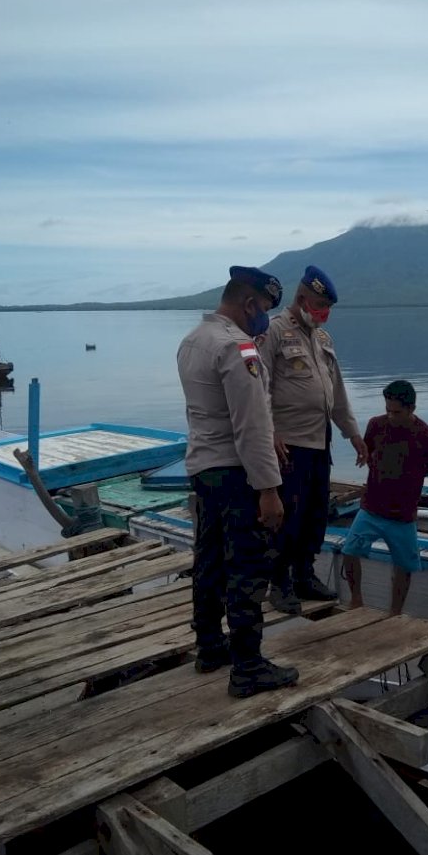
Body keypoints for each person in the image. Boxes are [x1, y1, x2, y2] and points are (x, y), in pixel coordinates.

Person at [177, 266, 299, 699]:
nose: (265, 317)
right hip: (236, 473)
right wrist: (268, 489)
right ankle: (248, 666)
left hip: (204, 468)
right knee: (247, 566)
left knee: (208, 560)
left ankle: (210, 645)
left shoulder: (193, 340)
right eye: (265, 308)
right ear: (249, 304)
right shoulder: (237, 348)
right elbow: (249, 425)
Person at [258, 265, 368, 615]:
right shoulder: (274, 332)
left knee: (315, 513)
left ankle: (305, 574)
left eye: (328, 308)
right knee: (288, 515)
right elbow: (259, 388)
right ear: (303, 299)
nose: (325, 314)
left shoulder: (322, 339)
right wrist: (269, 433)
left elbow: (337, 393)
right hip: (288, 442)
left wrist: (353, 434)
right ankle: (280, 583)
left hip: (321, 441)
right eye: (320, 305)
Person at [342, 380, 428, 615]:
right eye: (388, 410)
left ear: (411, 409)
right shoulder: (376, 425)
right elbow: (368, 450)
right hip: (371, 507)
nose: (391, 416)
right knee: (350, 551)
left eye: (396, 412)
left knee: (404, 565)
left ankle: (395, 612)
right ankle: (356, 600)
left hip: (403, 514)